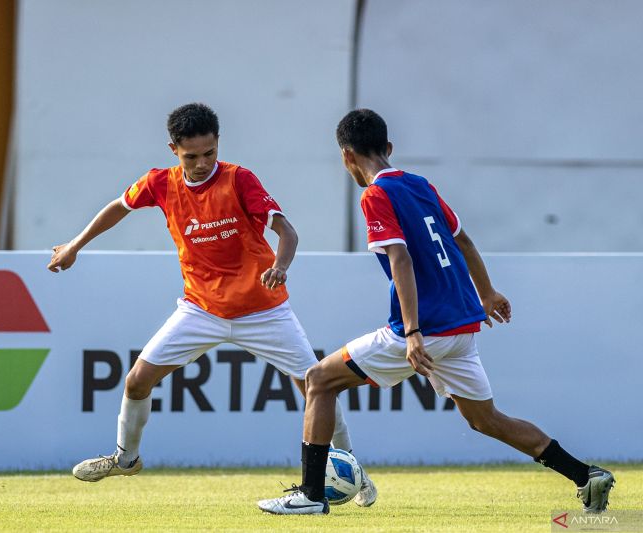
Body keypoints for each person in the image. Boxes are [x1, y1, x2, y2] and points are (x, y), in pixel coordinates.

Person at [257, 109, 615, 515]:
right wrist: (488, 292)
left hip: (426, 329)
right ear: (389, 148)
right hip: (461, 326)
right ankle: (586, 475)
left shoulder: (375, 194)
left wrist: (411, 333)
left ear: (346, 156)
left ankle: (310, 494)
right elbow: (464, 241)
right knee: (486, 420)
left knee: (319, 380)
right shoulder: (421, 185)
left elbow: (401, 259)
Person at [47, 103, 376, 506]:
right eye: (192, 156)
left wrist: (281, 265)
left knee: (316, 388)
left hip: (265, 311)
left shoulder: (240, 180)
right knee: (136, 380)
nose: (202, 163)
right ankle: (125, 458)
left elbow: (287, 231)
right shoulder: (159, 183)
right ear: (174, 150)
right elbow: (119, 206)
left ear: (217, 144)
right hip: (200, 310)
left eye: (209, 153)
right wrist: (75, 245)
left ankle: (350, 470)